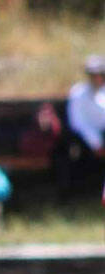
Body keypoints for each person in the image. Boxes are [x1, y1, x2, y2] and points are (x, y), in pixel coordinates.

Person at [57, 54, 105, 197]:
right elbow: (77, 122)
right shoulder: (78, 93)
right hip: (83, 139)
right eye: (93, 74)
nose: (97, 78)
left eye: (100, 74)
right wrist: (96, 143)